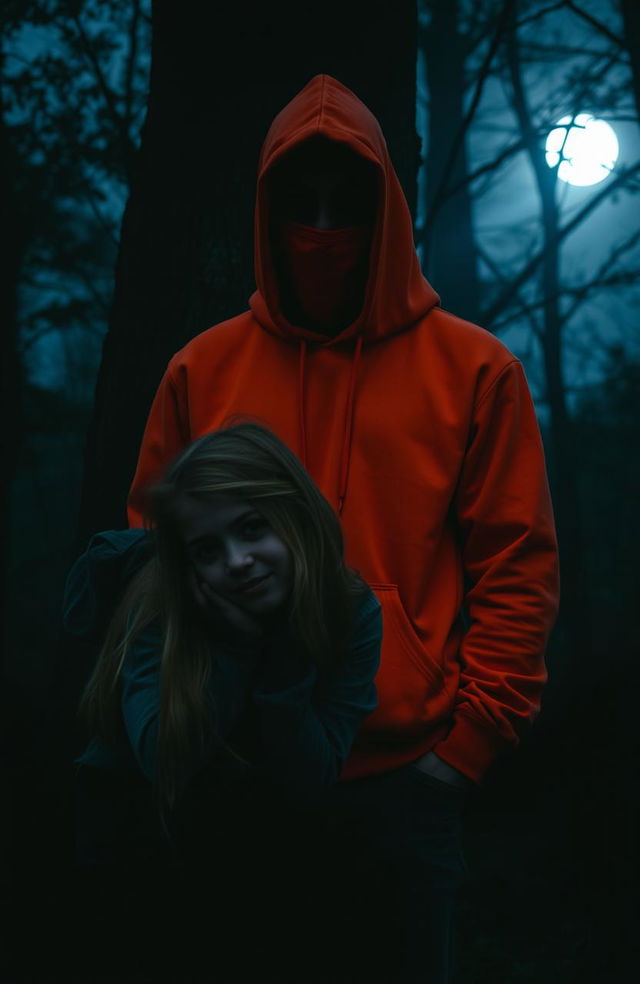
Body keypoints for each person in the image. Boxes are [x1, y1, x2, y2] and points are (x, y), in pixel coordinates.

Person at [126, 75, 560, 982]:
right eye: (299, 202)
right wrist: (187, 736)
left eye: (347, 202)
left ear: (389, 210)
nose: (322, 229)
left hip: (404, 781)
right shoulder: (202, 370)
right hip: (238, 778)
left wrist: (463, 751)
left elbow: (517, 567)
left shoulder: (476, 371)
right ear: (264, 210)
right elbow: (149, 563)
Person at [64, 422, 381, 981]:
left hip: (267, 863)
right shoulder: (160, 605)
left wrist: (282, 668)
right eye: (208, 550)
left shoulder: (350, 611)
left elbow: (313, 776)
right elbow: (164, 761)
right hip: (138, 855)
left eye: (253, 529)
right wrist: (237, 646)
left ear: (296, 514)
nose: (237, 562)